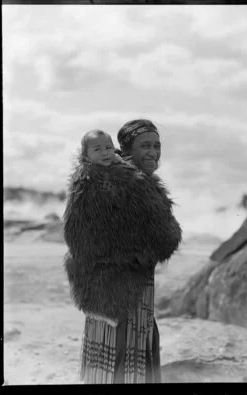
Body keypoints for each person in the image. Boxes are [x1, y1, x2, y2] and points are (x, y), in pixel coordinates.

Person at [63, 121, 182, 384]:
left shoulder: (112, 179)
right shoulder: (124, 184)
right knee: (125, 356)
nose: (153, 152)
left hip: (111, 288)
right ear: (125, 151)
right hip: (120, 289)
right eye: (145, 146)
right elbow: (162, 237)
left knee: (115, 353)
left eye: (157, 146)